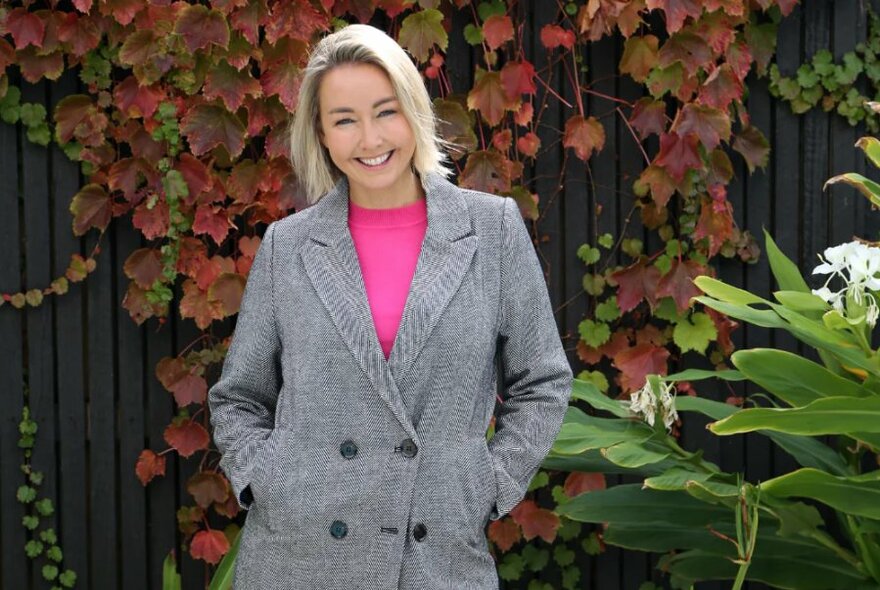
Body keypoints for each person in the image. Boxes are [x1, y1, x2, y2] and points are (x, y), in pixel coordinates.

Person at [207, 23, 572, 590]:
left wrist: (488, 483)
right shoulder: (289, 247)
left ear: (414, 111)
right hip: (299, 557)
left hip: (437, 552)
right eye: (345, 120)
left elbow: (543, 381)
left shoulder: (491, 231)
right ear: (322, 136)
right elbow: (239, 397)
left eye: (385, 111)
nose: (370, 139)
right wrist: (266, 480)